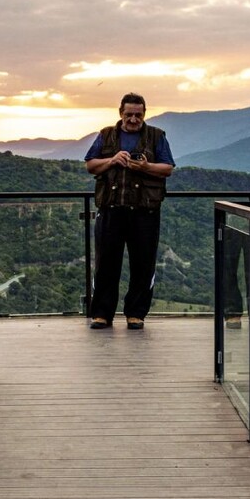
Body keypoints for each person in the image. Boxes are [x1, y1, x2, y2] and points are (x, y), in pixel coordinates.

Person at [84, 93, 175, 329]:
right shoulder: (106, 135)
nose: (133, 119)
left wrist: (145, 166)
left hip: (145, 212)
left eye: (138, 115)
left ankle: (136, 314)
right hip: (110, 209)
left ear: (144, 114)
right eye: (129, 114)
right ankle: (101, 314)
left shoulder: (157, 136)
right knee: (105, 263)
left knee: (143, 264)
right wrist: (112, 160)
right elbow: (90, 165)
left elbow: (168, 168)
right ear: (120, 113)